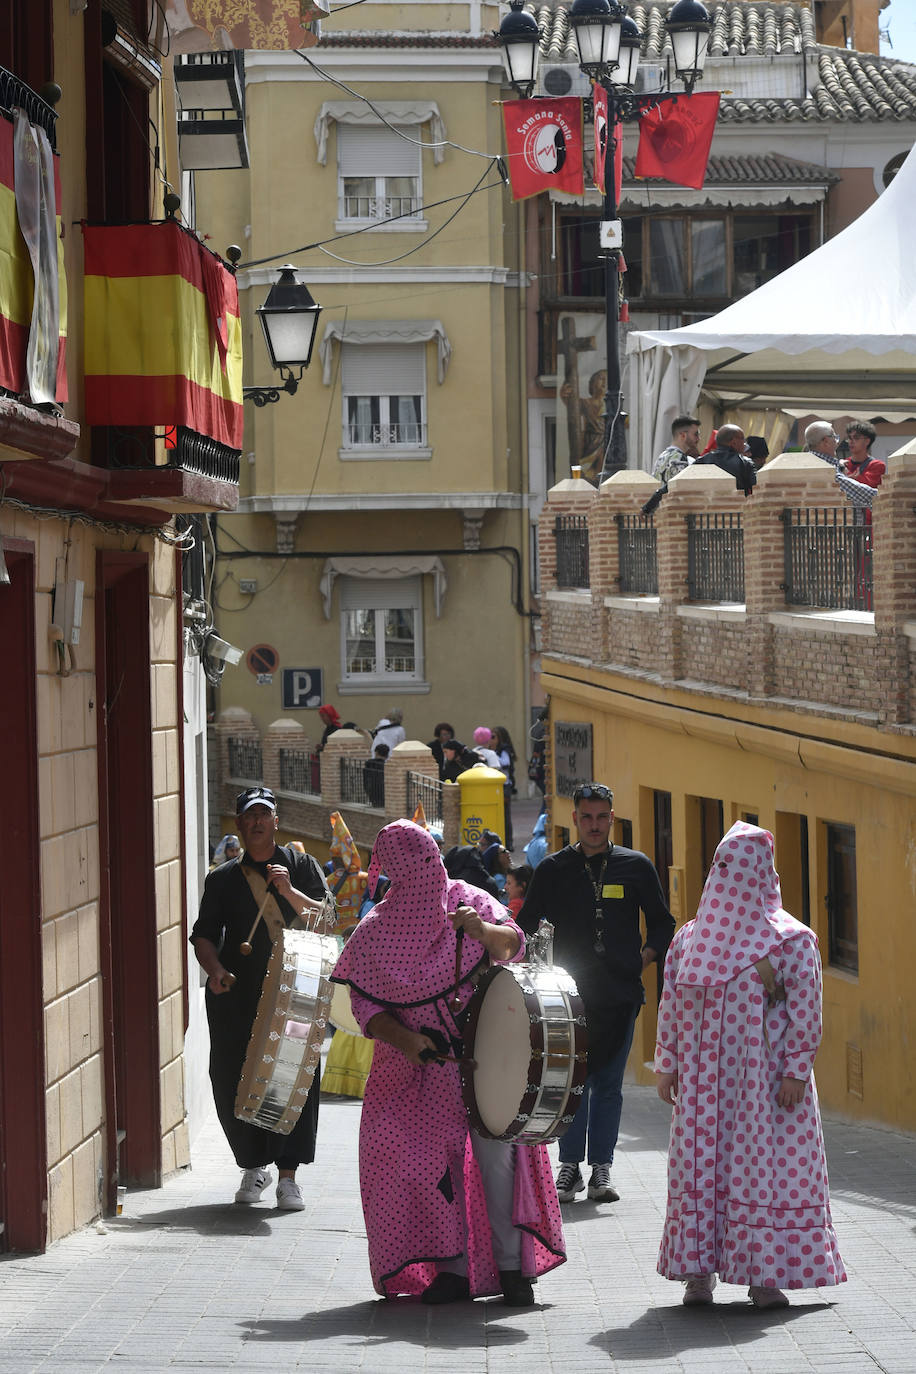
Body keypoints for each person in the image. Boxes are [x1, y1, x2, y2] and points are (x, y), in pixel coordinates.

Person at [330, 820, 566, 1304]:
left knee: (497, 1161)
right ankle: (454, 1269)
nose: (429, 875)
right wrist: (405, 1039)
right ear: (396, 874)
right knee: (432, 1167)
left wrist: (480, 928)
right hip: (416, 1070)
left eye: (430, 861)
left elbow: (513, 946)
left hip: (488, 1057)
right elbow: (367, 1010)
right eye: (415, 869)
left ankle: (510, 1269)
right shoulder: (375, 932)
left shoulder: (471, 898)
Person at [655, 821, 846, 1309]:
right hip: (702, 1089)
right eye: (721, 864)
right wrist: (668, 1063)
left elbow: (807, 1008)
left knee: (765, 1174)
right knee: (701, 1173)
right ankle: (698, 1275)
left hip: (764, 1088)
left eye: (734, 865)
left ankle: (766, 1277)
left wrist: (795, 1071)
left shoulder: (792, 941)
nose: (726, 874)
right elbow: (672, 1004)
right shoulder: (689, 940)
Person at [517, 782, 674, 1205]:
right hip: (567, 998)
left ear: (612, 818)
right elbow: (527, 924)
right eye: (586, 817)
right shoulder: (553, 869)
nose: (594, 825)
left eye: (602, 817)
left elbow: (663, 923)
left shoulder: (636, 866)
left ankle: (602, 1168)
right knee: (574, 1082)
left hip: (621, 995)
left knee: (608, 1084)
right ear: (574, 819)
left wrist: (642, 959)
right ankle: (569, 1167)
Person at [190, 787, 334, 1210]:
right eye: (248, 816)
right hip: (237, 997)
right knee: (231, 1079)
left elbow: (325, 921)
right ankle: (253, 1166)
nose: (256, 822)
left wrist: (288, 890)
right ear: (238, 824)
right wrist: (215, 972)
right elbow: (202, 936)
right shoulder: (222, 878)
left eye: (263, 815)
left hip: (295, 994)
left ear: (276, 820)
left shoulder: (302, 866)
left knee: (293, 1080)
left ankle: (289, 1176)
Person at [696, 423, 757, 496]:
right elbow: (757, 486)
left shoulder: (701, 461)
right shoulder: (745, 463)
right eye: (742, 439)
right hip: (738, 504)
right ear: (734, 442)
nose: (744, 444)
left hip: (708, 504)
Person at [444, 829, 501, 897]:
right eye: (479, 844)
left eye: (482, 844)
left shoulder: (446, 885)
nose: (479, 847)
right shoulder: (487, 880)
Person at [652, 413, 701, 484]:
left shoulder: (661, 457)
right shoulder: (680, 459)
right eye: (696, 434)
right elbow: (684, 487)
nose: (699, 438)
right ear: (683, 435)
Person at [363, 742, 388, 809]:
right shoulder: (386, 766)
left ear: (376, 752)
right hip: (384, 795)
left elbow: (365, 779)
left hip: (372, 793)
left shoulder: (369, 764)